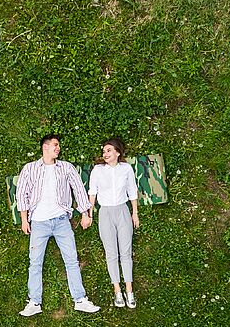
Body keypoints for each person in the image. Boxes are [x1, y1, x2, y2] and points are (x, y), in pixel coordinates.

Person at [16, 134, 100, 316]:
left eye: (59, 145)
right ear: (44, 147)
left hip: (62, 221)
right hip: (38, 222)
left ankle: (80, 300)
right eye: (55, 145)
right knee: (35, 263)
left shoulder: (66, 167)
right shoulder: (30, 169)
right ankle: (34, 303)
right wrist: (24, 219)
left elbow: (78, 188)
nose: (58, 148)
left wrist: (85, 213)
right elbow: (21, 193)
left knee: (71, 260)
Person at [88, 137, 139, 308]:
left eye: (109, 150)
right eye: (104, 151)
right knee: (111, 253)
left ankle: (129, 291)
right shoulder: (97, 170)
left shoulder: (126, 169)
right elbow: (92, 192)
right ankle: (117, 291)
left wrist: (135, 214)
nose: (105, 153)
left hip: (123, 210)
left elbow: (132, 191)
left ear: (118, 152)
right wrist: (89, 214)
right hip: (105, 213)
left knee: (126, 252)